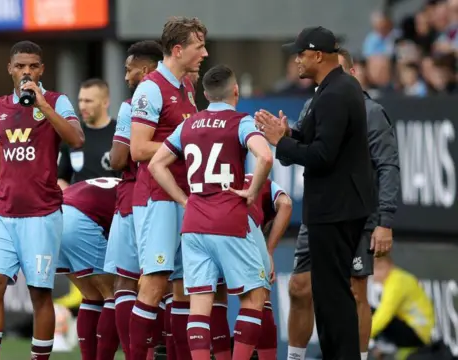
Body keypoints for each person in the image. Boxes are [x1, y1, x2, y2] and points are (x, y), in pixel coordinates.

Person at [255, 26, 377, 360]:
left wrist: (283, 142)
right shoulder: (333, 89)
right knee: (330, 295)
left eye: (301, 54)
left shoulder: (336, 93)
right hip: (337, 207)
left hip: (335, 209)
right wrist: (286, 134)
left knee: (333, 297)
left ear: (318, 55)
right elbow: (307, 139)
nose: (295, 60)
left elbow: (323, 155)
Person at [0, 40, 84, 360]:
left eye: (32, 66)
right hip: (3, 213)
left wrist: (43, 106)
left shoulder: (57, 101)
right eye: (20, 66)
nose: (26, 71)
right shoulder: (0, 107)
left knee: (40, 294)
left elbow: (76, 138)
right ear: (10, 69)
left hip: (41, 214)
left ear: (41, 69)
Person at [148, 64, 274, 360]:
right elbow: (265, 156)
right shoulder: (241, 122)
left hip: (194, 223)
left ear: (204, 94)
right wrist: (252, 191)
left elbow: (156, 164)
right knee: (254, 298)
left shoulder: (188, 124)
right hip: (229, 219)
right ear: (236, 91)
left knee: (199, 306)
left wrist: (183, 199)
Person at [283, 47, 400, 360]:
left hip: (358, 214)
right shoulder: (314, 104)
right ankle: (296, 357)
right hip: (319, 212)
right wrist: (283, 137)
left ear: (351, 74)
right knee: (299, 286)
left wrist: (385, 220)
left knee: (354, 289)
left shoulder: (371, 112)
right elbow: (303, 148)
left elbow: (387, 166)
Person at [129, 16, 208, 360]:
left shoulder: (187, 87)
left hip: (183, 195)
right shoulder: (150, 87)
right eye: (199, 46)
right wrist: (182, 143)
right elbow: (138, 148)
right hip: (157, 198)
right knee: (154, 282)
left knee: (183, 288)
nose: (204, 53)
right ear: (178, 50)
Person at [103, 39, 163, 357]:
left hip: (137, 196)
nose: (126, 77)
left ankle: (136, 353)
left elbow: (118, 159)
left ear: (145, 69)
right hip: (175, 197)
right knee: (170, 285)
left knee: (126, 282)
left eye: (128, 70)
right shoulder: (183, 96)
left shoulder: (133, 103)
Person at [56, 177, 120, 360]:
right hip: (79, 219)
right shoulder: (140, 190)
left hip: (53, 217)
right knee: (115, 294)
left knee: (91, 296)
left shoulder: (118, 183)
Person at [245, 173, 293, 360]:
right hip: (245, 226)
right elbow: (286, 204)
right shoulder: (263, 181)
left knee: (211, 301)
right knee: (260, 300)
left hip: (204, 225)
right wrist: (269, 251)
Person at [369, 256, 435, 360]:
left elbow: (383, 316)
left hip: (418, 334)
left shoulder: (396, 282)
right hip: (417, 331)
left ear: (389, 266)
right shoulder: (398, 278)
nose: (374, 275)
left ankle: (383, 346)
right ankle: (383, 346)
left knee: (369, 313)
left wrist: (361, 337)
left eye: (378, 269)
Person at [58, 78, 117, 189]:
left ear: (105, 102)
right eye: (80, 100)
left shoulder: (121, 134)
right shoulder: (72, 135)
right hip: (79, 204)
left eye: (88, 101)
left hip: (115, 203)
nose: (82, 107)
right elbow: (61, 178)